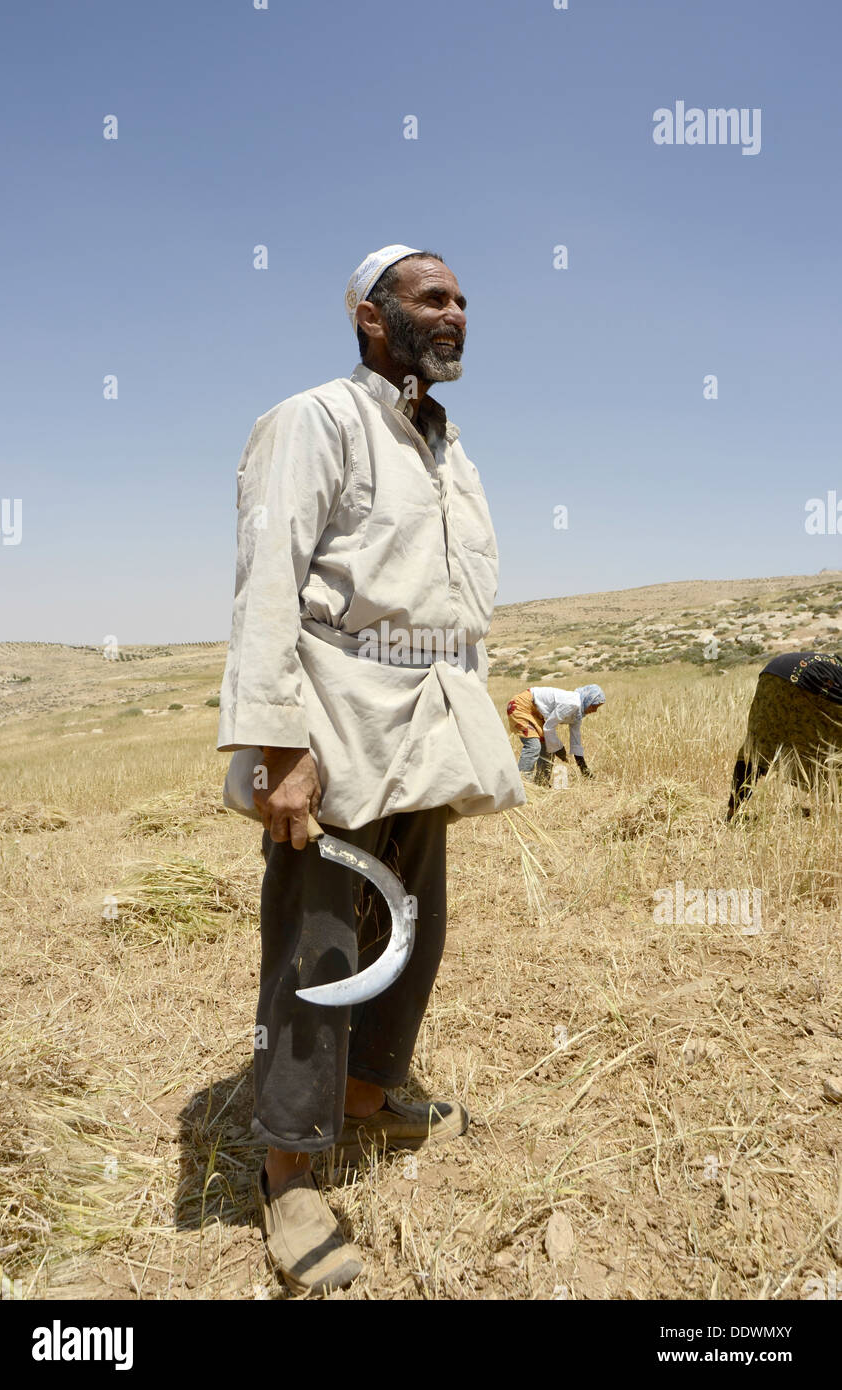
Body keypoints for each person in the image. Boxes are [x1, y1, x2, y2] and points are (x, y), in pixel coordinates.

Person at [217, 244, 524, 1294]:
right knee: (318, 941)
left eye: (462, 300)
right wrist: (278, 744)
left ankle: (364, 1099)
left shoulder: (446, 449)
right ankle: (289, 1172)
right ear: (368, 315)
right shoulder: (313, 420)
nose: (456, 313)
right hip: (332, 715)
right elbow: (267, 584)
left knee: (413, 925)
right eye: (431, 297)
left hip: (429, 713)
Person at [726, 651, 842, 818]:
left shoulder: (833, 664)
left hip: (772, 673)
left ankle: (733, 811)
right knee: (833, 742)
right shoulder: (835, 672)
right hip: (811, 678)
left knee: (758, 746)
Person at [507, 683, 605, 784]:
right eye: (594, 706)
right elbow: (548, 727)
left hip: (536, 712)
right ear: (588, 700)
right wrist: (560, 749)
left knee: (547, 747)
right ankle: (521, 785)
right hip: (521, 705)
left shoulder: (577, 714)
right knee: (534, 746)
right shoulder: (572, 703)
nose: (595, 711)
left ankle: (541, 784)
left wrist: (584, 769)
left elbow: (576, 741)